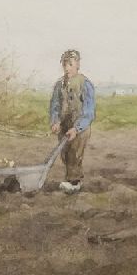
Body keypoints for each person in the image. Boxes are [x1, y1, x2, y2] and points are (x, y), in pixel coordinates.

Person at [48, 49, 95, 193]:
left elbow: (89, 111)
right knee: (64, 153)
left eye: (70, 64)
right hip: (64, 126)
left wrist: (77, 128)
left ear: (77, 65)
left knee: (75, 152)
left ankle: (74, 182)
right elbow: (55, 105)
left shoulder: (85, 84)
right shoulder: (59, 84)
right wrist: (55, 121)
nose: (67, 68)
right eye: (64, 65)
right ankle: (70, 179)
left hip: (80, 127)